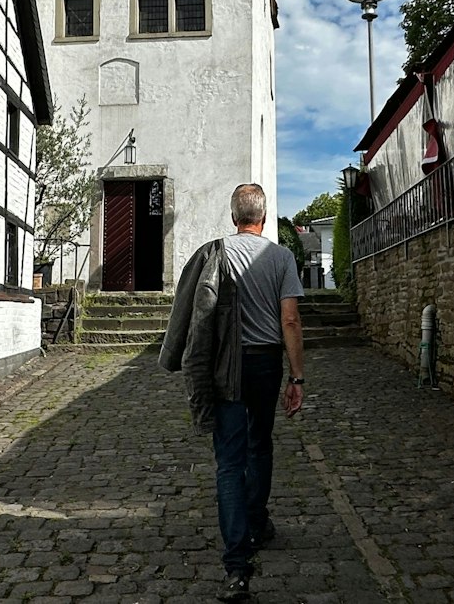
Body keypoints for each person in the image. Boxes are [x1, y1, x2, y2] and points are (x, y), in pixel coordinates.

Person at [158, 182, 304, 603]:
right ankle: (257, 523)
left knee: (229, 461)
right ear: (264, 216)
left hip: (226, 366)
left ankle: (237, 566)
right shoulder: (281, 258)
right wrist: (297, 378)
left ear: (233, 215)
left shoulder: (214, 252)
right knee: (260, 445)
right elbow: (290, 321)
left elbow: (193, 311)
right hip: (265, 364)